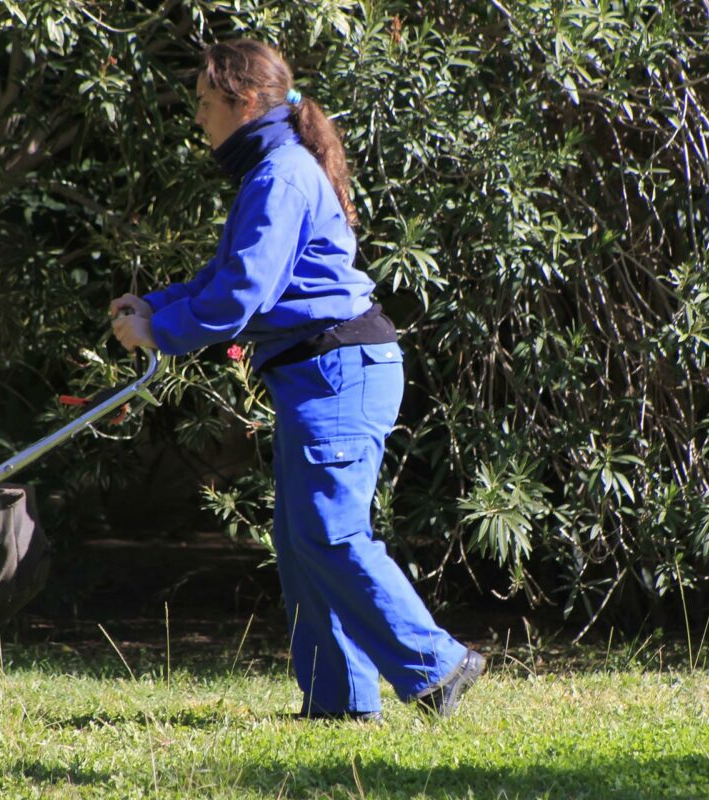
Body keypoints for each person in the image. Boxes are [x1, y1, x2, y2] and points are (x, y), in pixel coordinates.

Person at [109, 39, 483, 721]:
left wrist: (160, 332)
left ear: (243, 101)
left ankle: (438, 666)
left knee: (328, 532)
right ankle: (339, 703)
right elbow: (226, 277)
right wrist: (156, 305)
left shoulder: (279, 175)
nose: (198, 118)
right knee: (302, 536)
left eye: (203, 102)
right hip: (322, 372)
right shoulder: (271, 172)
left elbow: (241, 294)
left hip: (338, 369)